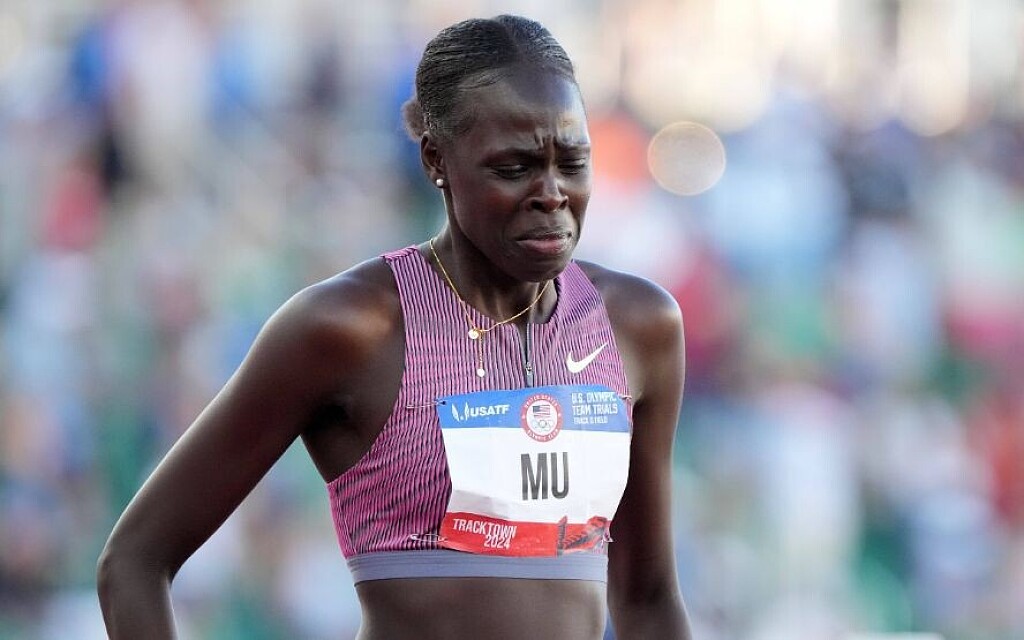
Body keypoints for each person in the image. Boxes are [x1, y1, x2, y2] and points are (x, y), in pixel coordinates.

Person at [97, 15, 692, 640]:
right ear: (436, 159)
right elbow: (134, 561)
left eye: (572, 162)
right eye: (513, 167)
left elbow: (648, 598)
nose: (552, 194)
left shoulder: (637, 325)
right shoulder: (352, 328)